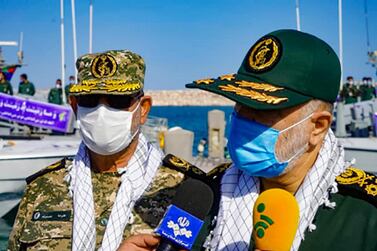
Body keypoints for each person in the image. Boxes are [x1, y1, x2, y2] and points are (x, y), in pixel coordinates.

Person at [122, 30, 377, 251]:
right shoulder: (205, 195)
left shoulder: (365, 214)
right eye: (240, 104)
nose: (243, 118)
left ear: (317, 127)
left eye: (263, 110)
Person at [8, 50, 217, 250]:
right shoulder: (42, 188)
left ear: (143, 109)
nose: (102, 112)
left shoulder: (185, 191)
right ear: (74, 106)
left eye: (118, 101)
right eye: (89, 101)